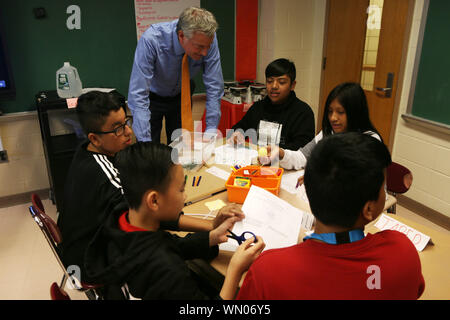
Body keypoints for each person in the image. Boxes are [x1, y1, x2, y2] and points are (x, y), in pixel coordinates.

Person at [58, 90, 243, 283]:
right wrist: (209, 232)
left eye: (126, 122)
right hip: (93, 262)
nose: (128, 132)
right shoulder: (108, 178)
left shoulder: (86, 151)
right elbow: (149, 230)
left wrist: (210, 229)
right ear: (94, 138)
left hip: (82, 248)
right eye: (117, 129)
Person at [237, 132, 425, 300]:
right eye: (383, 188)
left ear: (308, 191)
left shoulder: (268, 271)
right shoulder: (403, 253)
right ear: (368, 209)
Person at [84, 142, 265, 299]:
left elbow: (169, 244)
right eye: (181, 189)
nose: (185, 196)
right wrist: (234, 270)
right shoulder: (167, 270)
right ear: (154, 201)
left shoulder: (121, 218)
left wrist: (212, 237)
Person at [128, 7, 224, 144]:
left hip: (182, 94)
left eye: (207, 47)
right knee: (150, 150)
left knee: (180, 146)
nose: (205, 53)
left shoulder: (207, 40)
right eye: (199, 47)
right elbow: (138, 94)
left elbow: (214, 85)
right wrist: (145, 144)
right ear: (181, 35)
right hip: (152, 97)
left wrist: (211, 131)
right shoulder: (151, 40)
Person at [261, 82, 382, 178]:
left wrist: (319, 179)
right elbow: (303, 157)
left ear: (355, 112)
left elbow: (357, 182)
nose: (333, 118)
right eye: (330, 112)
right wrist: (282, 153)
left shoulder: (369, 141)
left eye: (340, 112)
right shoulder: (328, 133)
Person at [227, 58, 315, 150]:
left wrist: (276, 153)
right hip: (256, 161)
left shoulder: (303, 112)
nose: (274, 86)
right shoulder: (258, 107)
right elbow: (241, 126)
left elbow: (303, 150)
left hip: (284, 163)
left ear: (292, 85)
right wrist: (237, 134)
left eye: (281, 82)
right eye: (269, 81)